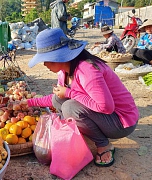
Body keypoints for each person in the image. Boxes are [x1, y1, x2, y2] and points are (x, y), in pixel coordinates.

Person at [19, 28, 139, 167]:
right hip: (105, 116)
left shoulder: (86, 70)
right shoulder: (64, 71)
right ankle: (86, 132)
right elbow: (57, 96)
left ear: (58, 55)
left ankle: (104, 145)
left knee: (70, 107)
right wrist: (28, 102)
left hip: (121, 122)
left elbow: (106, 107)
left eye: (45, 59)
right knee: (57, 99)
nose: (44, 64)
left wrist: (69, 93)